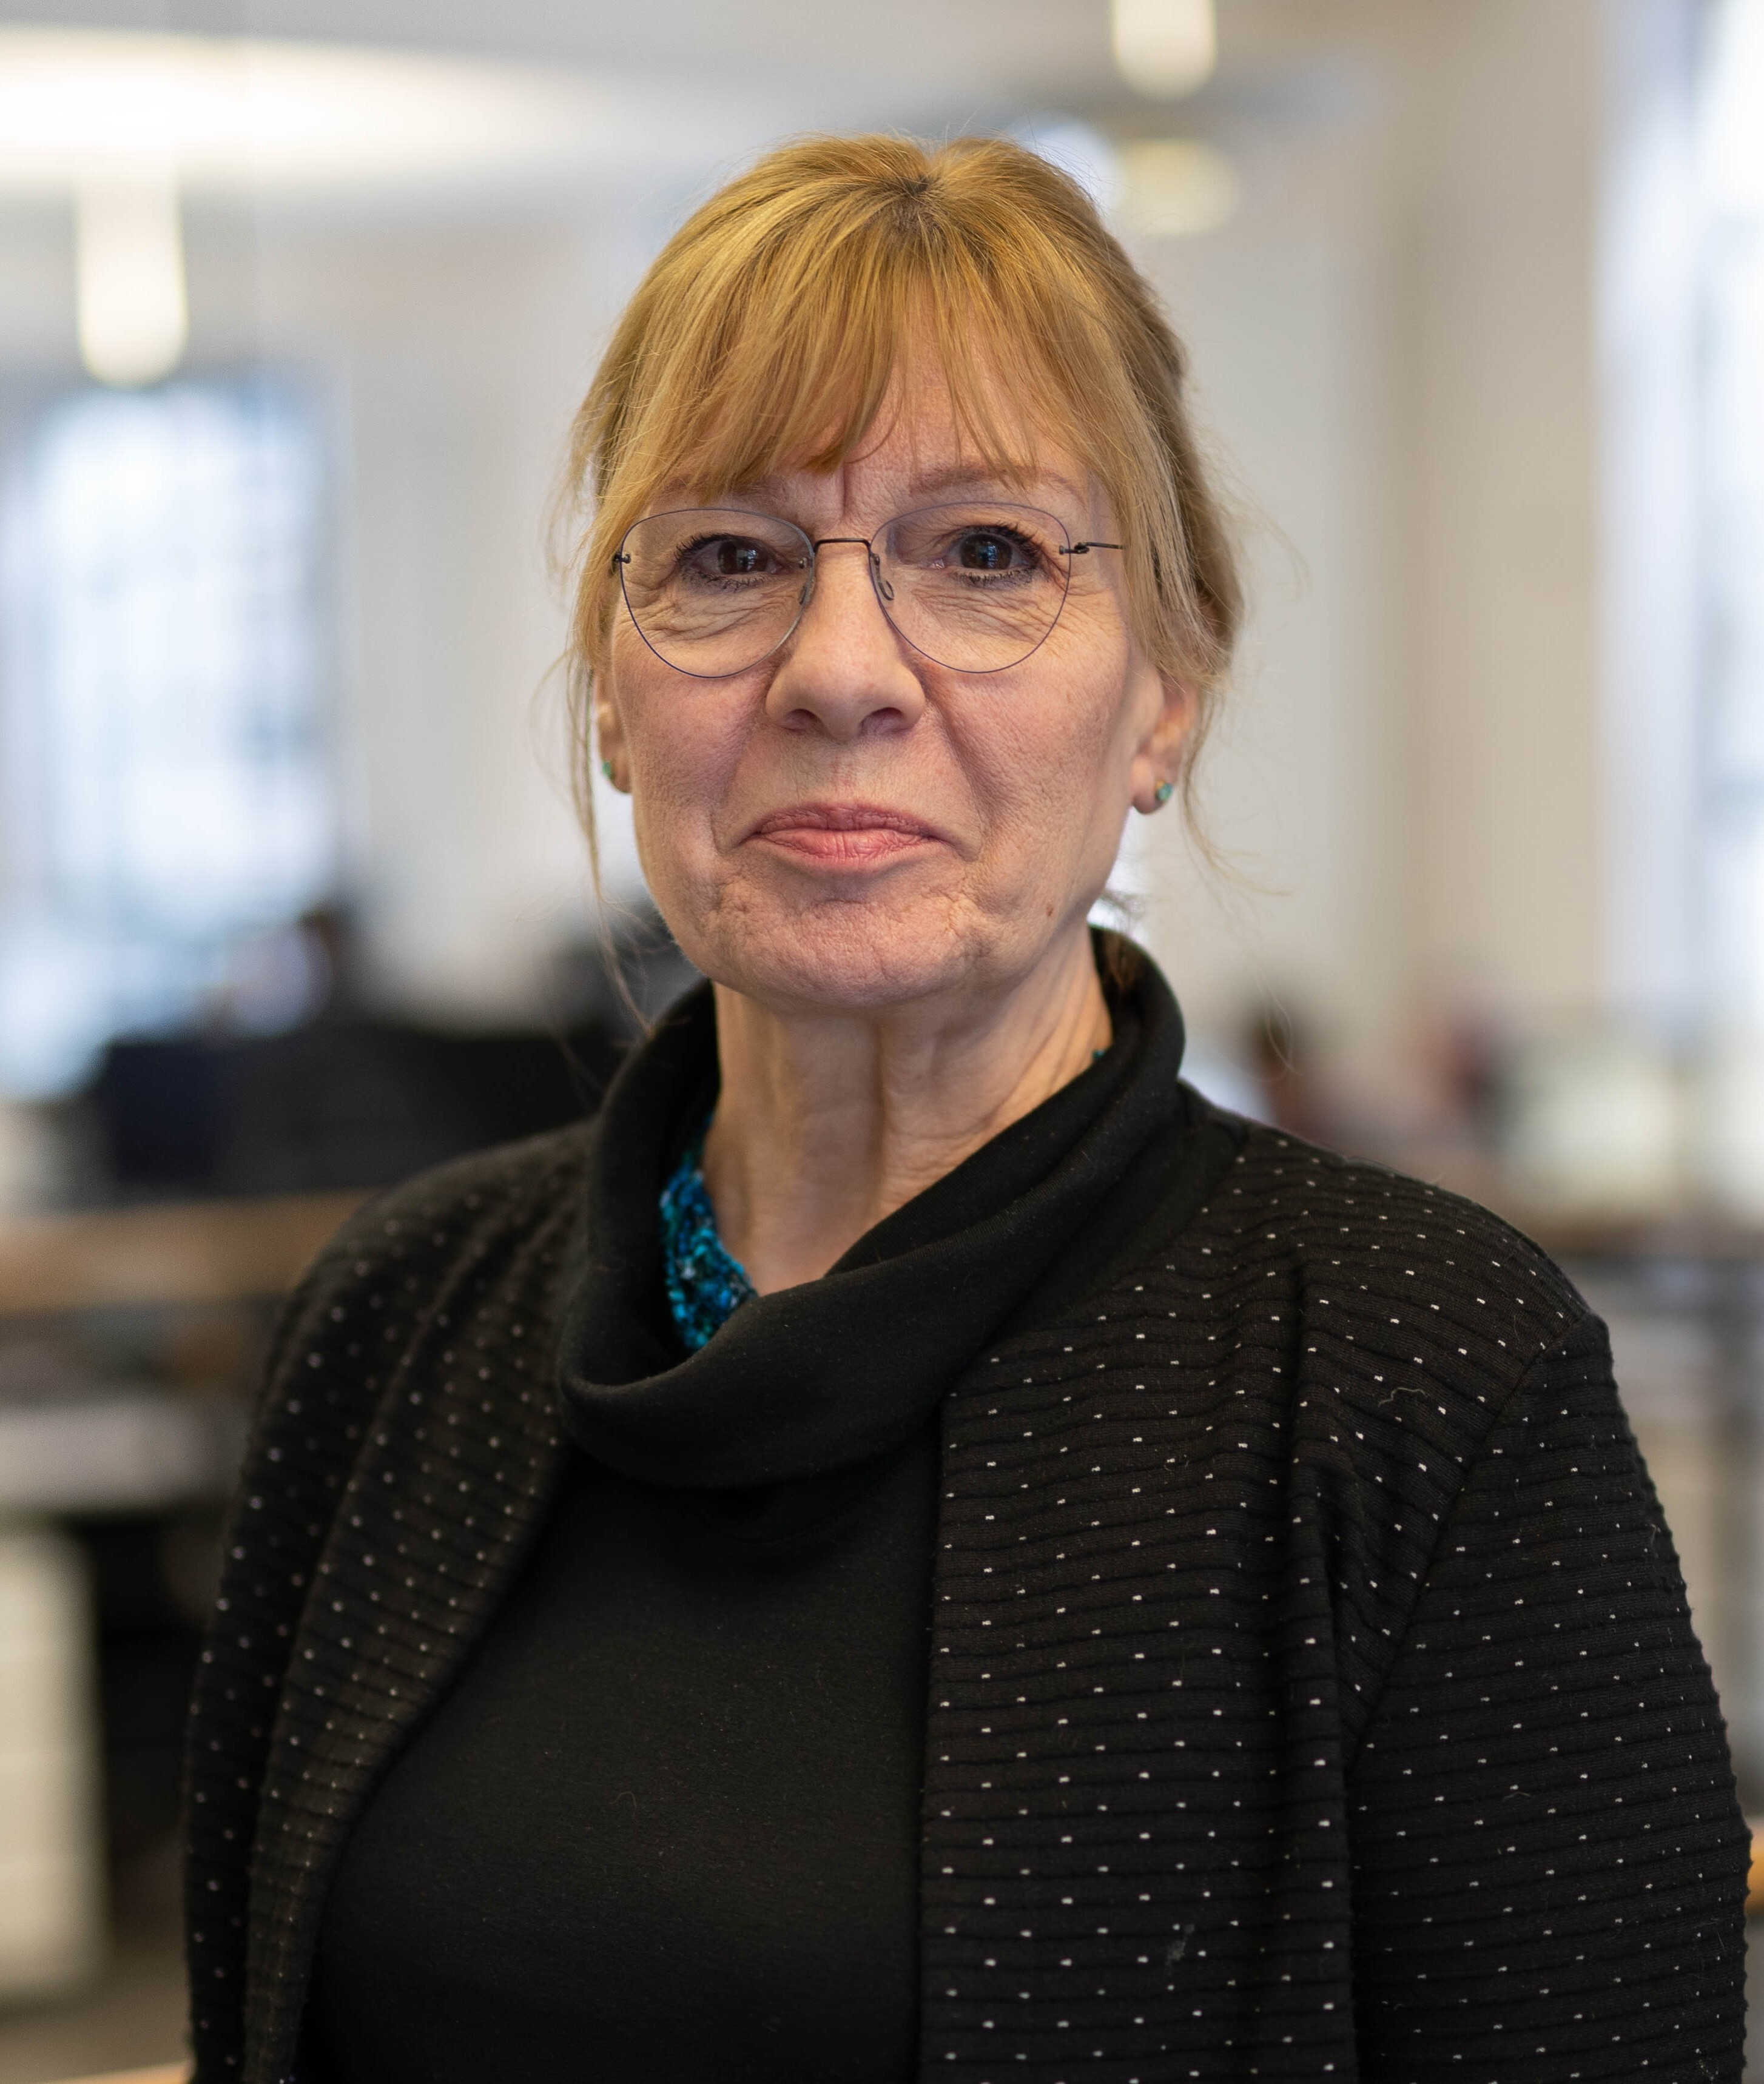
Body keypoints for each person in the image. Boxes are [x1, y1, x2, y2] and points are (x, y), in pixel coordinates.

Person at [183, 135, 1747, 2084]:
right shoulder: (398, 1321)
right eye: (730, 558)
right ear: (611, 681)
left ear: (1164, 691)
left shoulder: (1410, 1373)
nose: (840, 672)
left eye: (988, 552)